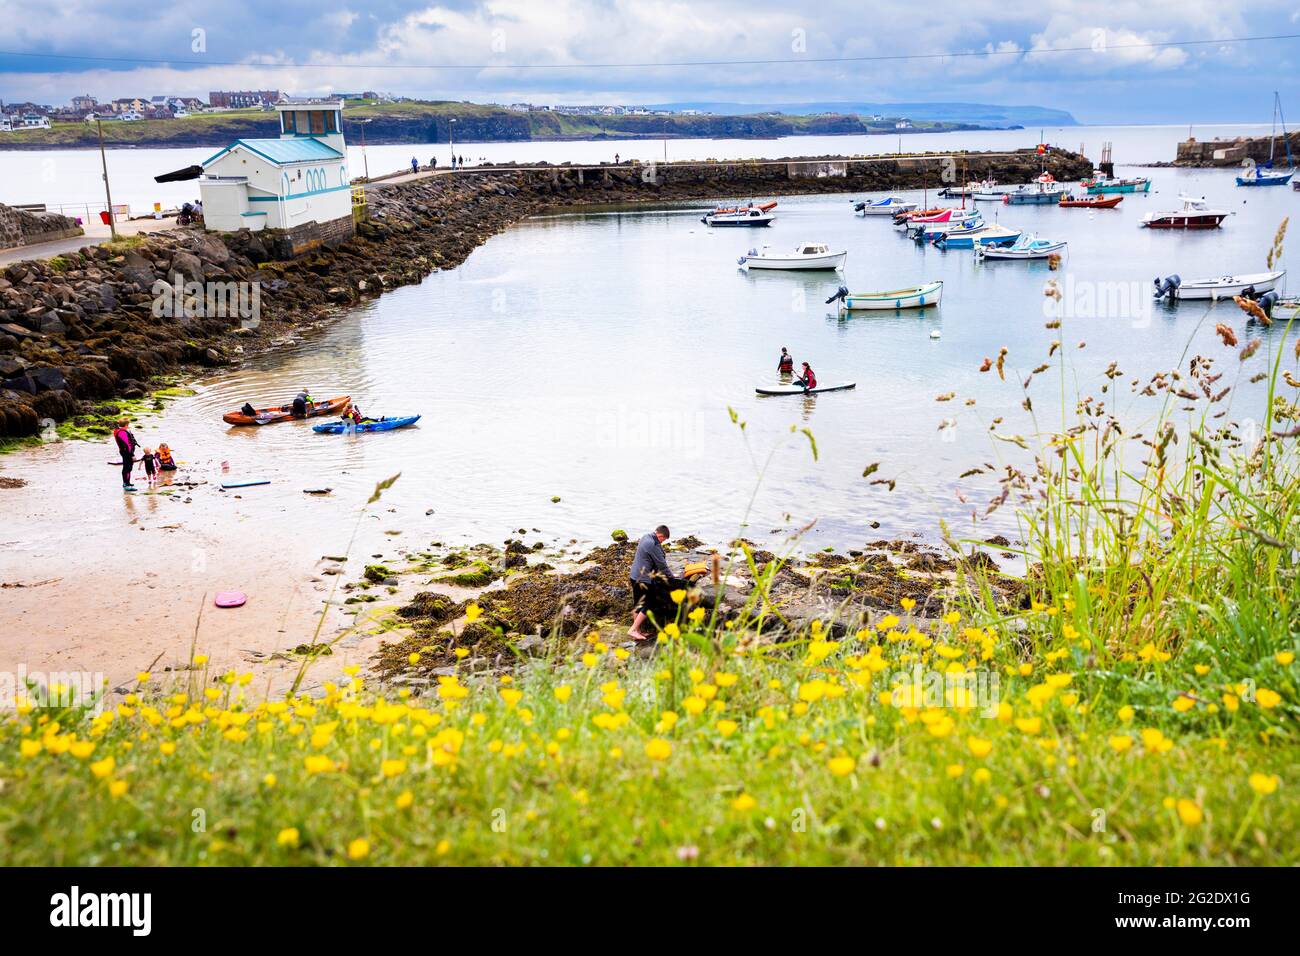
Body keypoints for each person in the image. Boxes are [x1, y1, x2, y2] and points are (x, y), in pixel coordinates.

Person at [628, 525, 675, 641]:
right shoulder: (652, 544)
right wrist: (672, 578)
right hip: (643, 577)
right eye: (663, 539)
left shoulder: (646, 537)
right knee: (650, 603)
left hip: (634, 575)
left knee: (638, 603)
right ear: (660, 535)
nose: (663, 542)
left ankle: (637, 631)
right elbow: (661, 564)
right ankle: (633, 629)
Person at [113, 417, 137, 491]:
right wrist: (132, 454)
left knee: (129, 467)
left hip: (126, 452)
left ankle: (128, 482)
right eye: (128, 424)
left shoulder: (123, 431)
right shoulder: (122, 432)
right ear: (126, 425)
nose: (128, 425)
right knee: (127, 467)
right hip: (126, 452)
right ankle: (126, 484)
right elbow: (127, 445)